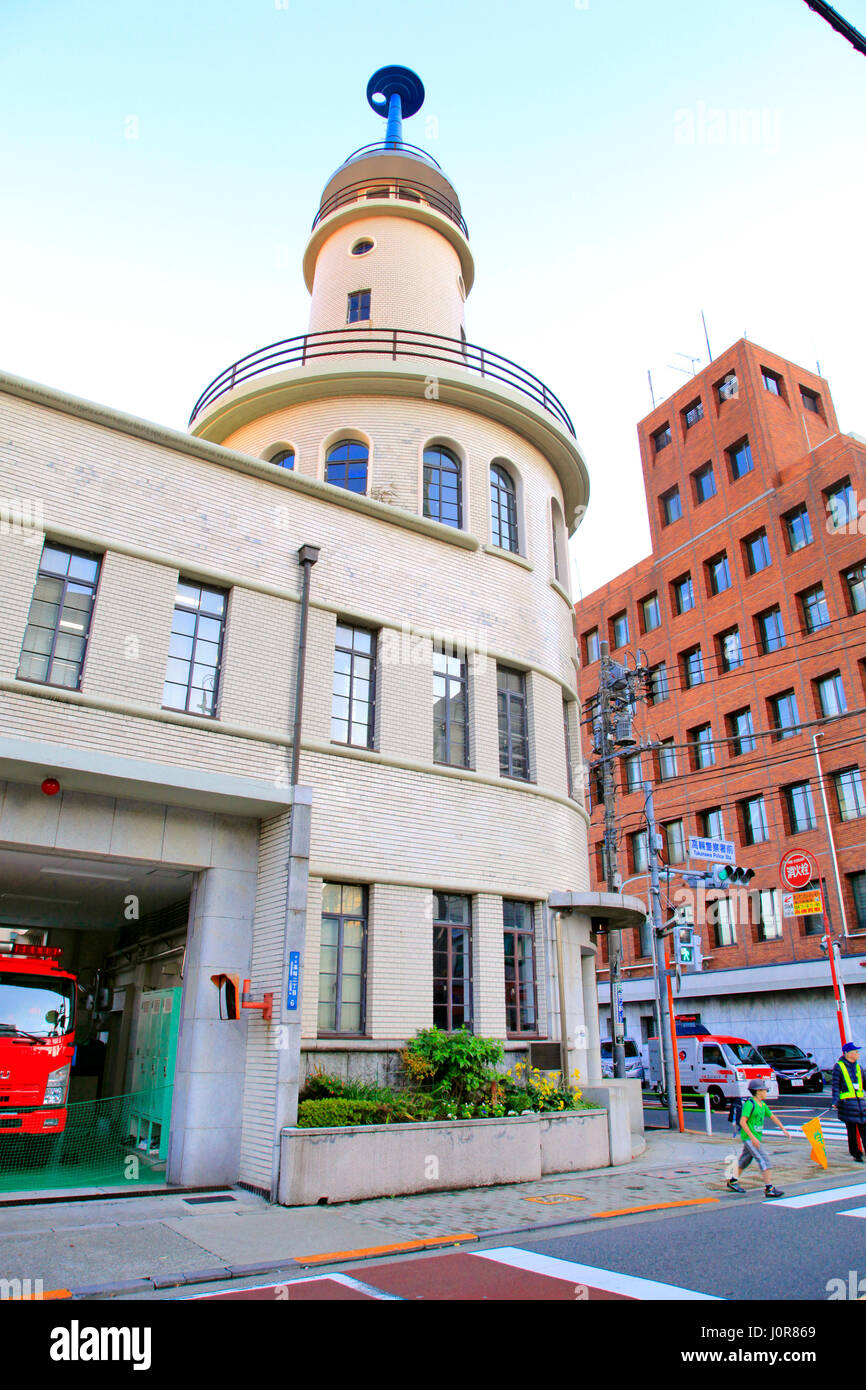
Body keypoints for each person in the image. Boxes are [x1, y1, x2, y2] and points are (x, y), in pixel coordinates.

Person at [726, 1080, 790, 1198]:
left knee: (744, 1160)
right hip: (750, 1138)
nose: (766, 1092)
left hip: (755, 1138)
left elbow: (772, 1117)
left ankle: (732, 1181)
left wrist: (783, 1129)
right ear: (758, 1091)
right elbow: (742, 1122)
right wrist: (752, 1137)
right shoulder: (750, 1104)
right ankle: (769, 1188)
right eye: (764, 1090)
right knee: (764, 1160)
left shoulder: (762, 1105)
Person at [831, 1041, 866, 1164]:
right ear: (847, 1054)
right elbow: (835, 1086)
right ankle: (856, 1154)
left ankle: (861, 1153)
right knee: (851, 1132)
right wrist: (835, 1101)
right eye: (855, 1052)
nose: (858, 1054)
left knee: (864, 1130)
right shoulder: (839, 1067)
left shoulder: (858, 1067)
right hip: (847, 1105)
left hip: (861, 1105)